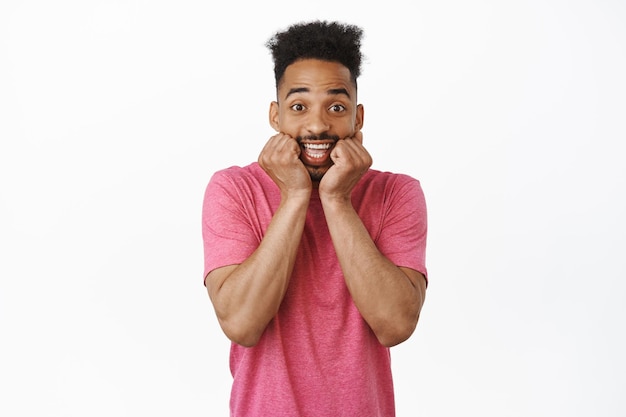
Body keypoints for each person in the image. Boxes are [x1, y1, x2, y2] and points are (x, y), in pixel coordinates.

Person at [202, 20, 428, 417]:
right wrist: (294, 196)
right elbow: (241, 323)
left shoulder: (397, 193)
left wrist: (337, 200)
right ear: (276, 116)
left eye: (336, 107)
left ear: (358, 117)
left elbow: (395, 325)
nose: (318, 124)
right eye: (299, 106)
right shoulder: (234, 189)